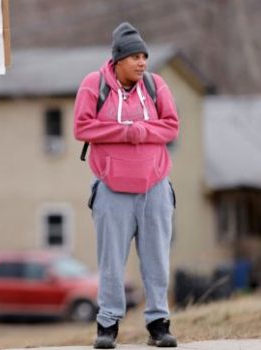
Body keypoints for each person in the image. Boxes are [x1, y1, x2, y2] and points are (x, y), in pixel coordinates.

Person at [73, 22, 179, 348]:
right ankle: (107, 326)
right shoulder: (94, 85)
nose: (142, 62)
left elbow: (171, 126)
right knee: (111, 263)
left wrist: (144, 131)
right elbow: (81, 127)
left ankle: (159, 325)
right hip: (111, 189)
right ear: (118, 59)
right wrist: (124, 131)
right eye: (135, 56)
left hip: (155, 187)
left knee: (156, 260)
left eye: (145, 56)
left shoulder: (155, 85)